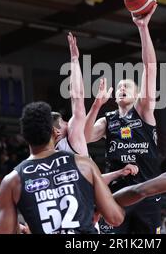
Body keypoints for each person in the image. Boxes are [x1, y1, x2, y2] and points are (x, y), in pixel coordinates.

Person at [84, 4, 161, 234]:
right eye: (118, 87)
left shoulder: (144, 111)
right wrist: (97, 104)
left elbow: (150, 68)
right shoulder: (108, 120)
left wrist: (143, 28)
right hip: (116, 196)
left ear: (137, 95)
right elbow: (85, 137)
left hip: (147, 193)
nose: (122, 88)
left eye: (127, 86)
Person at [0, 101, 124, 234]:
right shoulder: (83, 164)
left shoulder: (11, 181)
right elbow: (115, 218)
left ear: (25, 137)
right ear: (55, 132)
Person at [54, 33, 139, 184]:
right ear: (56, 131)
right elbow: (77, 96)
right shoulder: (72, 139)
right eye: (63, 122)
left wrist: (119, 172)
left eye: (127, 86)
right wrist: (74, 60)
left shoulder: (39, 158)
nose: (68, 123)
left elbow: (94, 180)